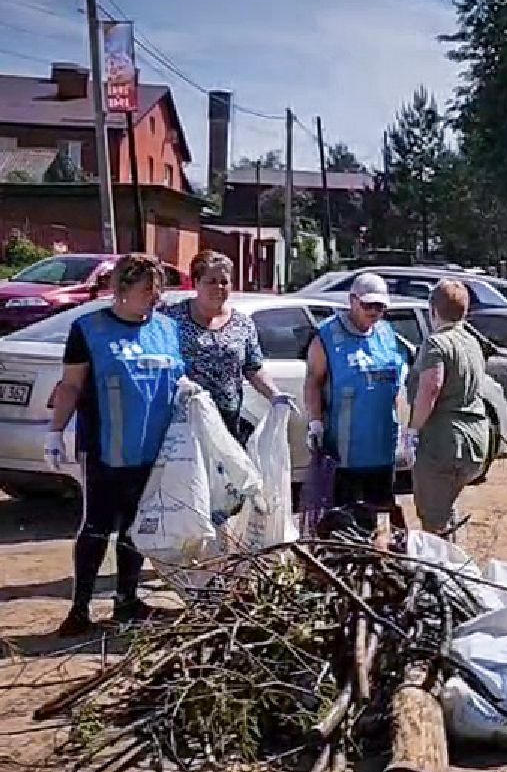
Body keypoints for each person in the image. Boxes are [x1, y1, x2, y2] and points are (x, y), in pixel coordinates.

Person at [45, 254, 184, 635]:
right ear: (121, 290)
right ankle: (80, 608)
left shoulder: (168, 330)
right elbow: (71, 385)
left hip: (153, 451)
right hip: (106, 449)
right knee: (96, 526)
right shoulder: (88, 330)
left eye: (159, 291)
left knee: (136, 527)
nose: (155, 299)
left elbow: (178, 382)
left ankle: (127, 600)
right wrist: (55, 432)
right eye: (146, 291)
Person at [160, 251, 292, 443]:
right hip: (183, 424)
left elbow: (253, 368)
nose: (219, 287)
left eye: (224, 282)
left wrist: (275, 395)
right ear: (196, 283)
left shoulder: (242, 323)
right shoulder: (171, 318)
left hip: (227, 424)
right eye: (211, 281)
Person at [304, 272, 407, 514]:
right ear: (352, 300)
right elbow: (313, 381)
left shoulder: (386, 334)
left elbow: (398, 384)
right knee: (344, 518)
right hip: (344, 451)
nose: (374, 311)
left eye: (380, 307)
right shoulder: (328, 336)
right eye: (368, 305)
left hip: (382, 448)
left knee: (378, 515)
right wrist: (316, 423)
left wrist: (406, 434)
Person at [406, 279, 493, 535]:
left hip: (444, 441)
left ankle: (444, 570)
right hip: (475, 439)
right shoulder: (472, 342)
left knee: (433, 519)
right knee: (449, 508)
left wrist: (412, 431)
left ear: (433, 310)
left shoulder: (437, 343)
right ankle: (455, 560)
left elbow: (431, 388)